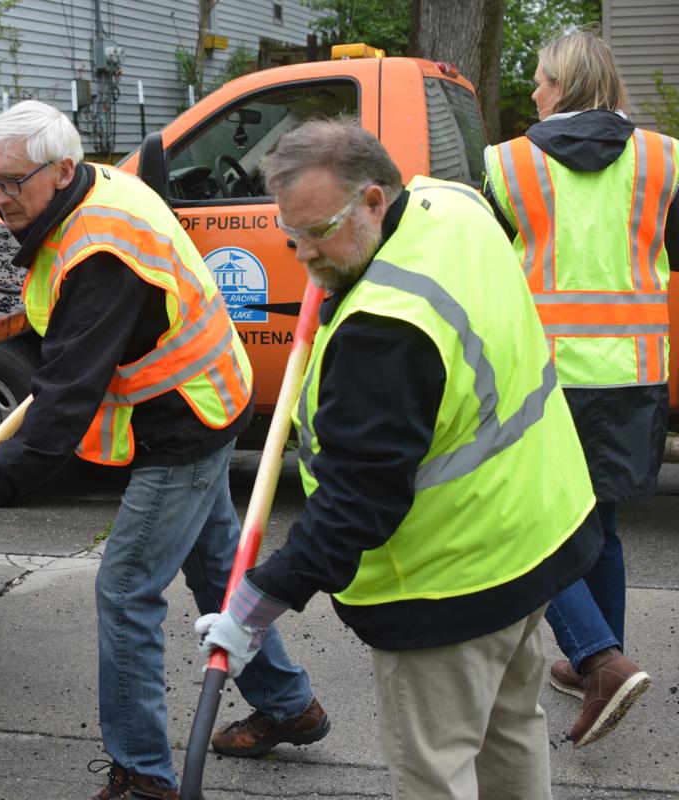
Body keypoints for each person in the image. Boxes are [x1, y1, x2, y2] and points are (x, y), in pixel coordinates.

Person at [0, 100, 327, 800]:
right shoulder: (89, 185)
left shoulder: (99, 256)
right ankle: (288, 705)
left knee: (125, 592)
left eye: (10, 183)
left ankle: (144, 776)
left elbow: (59, 413)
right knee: (215, 569)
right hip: (207, 395)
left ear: (61, 170)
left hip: (186, 419)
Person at [194, 119, 604, 800]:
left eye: (319, 231)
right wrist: (337, 263)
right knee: (512, 737)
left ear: (376, 200)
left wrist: (257, 604)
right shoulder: (458, 206)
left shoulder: (385, 331)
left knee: (435, 772)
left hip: (449, 586)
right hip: (533, 541)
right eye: (291, 233)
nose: (303, 254)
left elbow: (358, 501)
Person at [483, 28, 677, 748]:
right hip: (631, 371)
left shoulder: (511, 165)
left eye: (539, 78)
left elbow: (489, 261)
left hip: (543, 375)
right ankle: (602, 660)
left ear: (562, 85)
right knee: (605, 523)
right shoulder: (664, 161)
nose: (532, 91)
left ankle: (599, 661)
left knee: (532, 529)